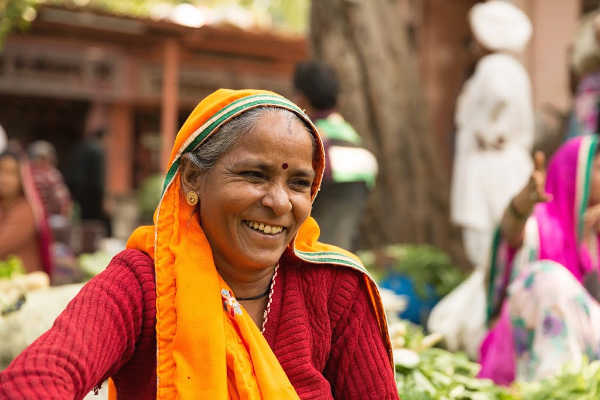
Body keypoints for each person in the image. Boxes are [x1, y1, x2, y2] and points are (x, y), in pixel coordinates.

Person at [0, 89, 397, 399]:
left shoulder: (338, 289)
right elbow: (41, 376)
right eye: (254, 175)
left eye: (298, 184)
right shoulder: (144, 284)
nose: (279, 202)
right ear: (191, 179)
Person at [428, 0, 534, 358]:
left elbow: (501, 100)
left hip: (491, 171)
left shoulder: (493, 67)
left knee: (488, 254)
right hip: (504, 168)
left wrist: (492, 130)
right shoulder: (515, 69)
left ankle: (477, 335)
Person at [479, 135, 600, 384]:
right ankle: (554, 385)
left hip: (591, 359)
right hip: (528, 353)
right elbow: (511, 235)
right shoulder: (542, 224)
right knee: (546, 277)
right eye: (599, 168)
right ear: (573, 172)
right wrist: (519, 208)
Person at [293, 60, 378, 250]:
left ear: (301, 99)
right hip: (344, 259)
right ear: (338, 100)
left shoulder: (303, 144)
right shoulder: (361, 151)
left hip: (305, 256)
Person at [0, 151, 53, 275]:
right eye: (1, 171)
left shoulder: (27, 210)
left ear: (22, 178)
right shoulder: (4, 206)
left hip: (24, 282)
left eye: (11, 173)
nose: (3, 179)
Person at [28, 140, 72, 219]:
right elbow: (63, 202)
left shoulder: (27, 174)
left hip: (36, 216)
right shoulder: (51, 174)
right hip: (46, 217)